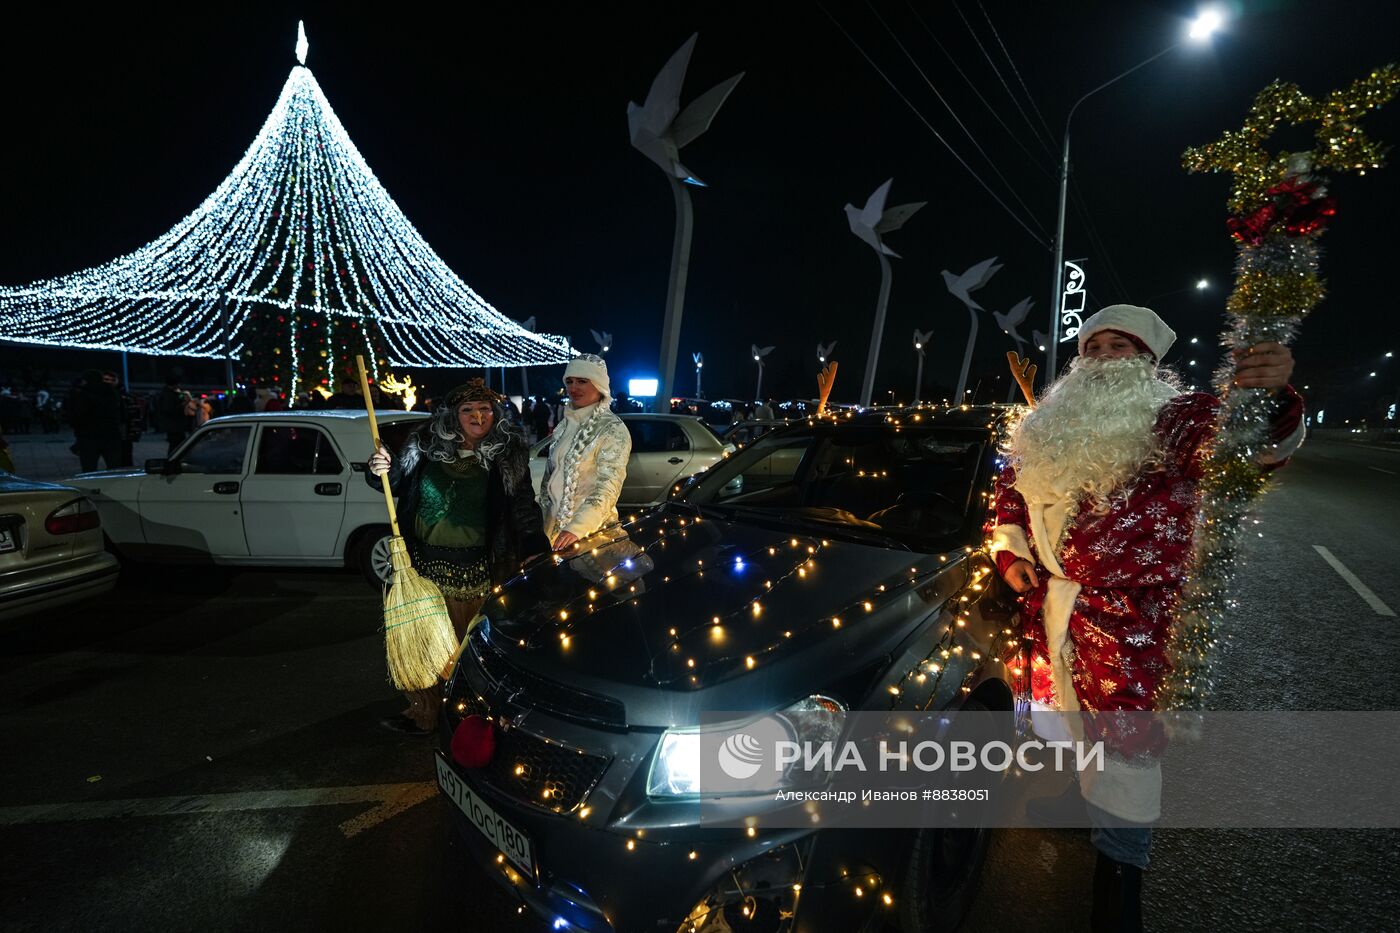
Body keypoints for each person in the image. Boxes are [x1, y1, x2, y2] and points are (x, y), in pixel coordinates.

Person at [990, 305, 1303, 932]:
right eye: (1094, 346)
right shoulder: (1047, 423)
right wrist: (1011, 552)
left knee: (1128, 742)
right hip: (1057, 607)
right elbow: (1011, 492)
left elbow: (1240, 446)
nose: (1103, 357)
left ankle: (1120, 876)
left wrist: (1269, 398)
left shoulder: (1173, 421)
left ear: (1148, 363)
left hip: (1134, 616)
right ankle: (1079, 803)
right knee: (1064, 720)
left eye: (1120, 347)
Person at [366, 379, 549, 734]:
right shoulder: (423, 445)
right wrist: (378, 469)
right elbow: (393, 482)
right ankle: (422, 712)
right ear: (454, 414)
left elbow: (523, 506)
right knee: (423, 645)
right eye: (468, 410)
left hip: (476, 568)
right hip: (422, 566)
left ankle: (468, 717)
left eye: (485, 409)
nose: (478, 416)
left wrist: (534, 548)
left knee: (467, 649)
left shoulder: (507, 453)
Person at [538, 355, 631, 552]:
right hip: (554, 535)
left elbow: (608, 487)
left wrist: (577, 528)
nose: (573, 388)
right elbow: (549, 483)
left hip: (592, 537)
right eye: (569, 381)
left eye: (582, 381)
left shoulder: (612, 428)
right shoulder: (564, 426)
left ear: (599, 384)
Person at [66, 370, 124, 471]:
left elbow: (77, 415)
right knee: (114, 467)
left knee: (89, 468)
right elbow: (120, 412)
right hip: (111, 435)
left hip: (88, 436)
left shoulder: (83, 394)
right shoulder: (111, 392)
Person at [156, 375, 187, 454]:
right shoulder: (168, 395)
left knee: (177, 444)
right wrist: (183, 404)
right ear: (174, 384)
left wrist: (181, 395)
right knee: (176, 445)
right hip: (174, 425)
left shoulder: (169, 392)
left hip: (173, 424)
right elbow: (170, 409)